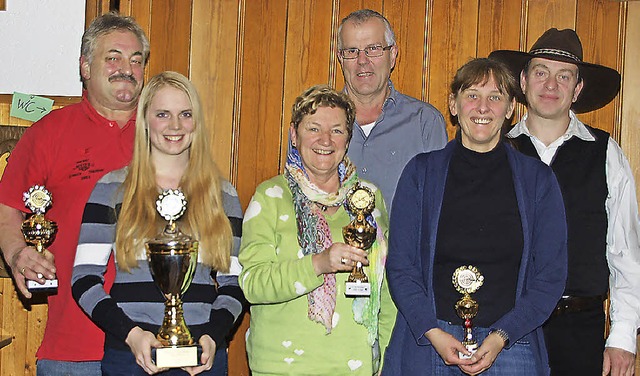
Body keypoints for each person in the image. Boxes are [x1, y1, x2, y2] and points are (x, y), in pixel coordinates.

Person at [383, 58, 568, 375]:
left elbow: (550, 276)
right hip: (430, 339)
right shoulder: (420, 173)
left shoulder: (537, 180)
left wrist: (501, 336)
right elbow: (401, 265)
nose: (483, 107)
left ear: (510, 108)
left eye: (495, 97)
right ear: (454, 104)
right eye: (472, 95)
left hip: (511, 342)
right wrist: (432, 331)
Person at [0, 12, 149, 375]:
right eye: (112, 57)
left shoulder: (166, 134)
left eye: (136, 60)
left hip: (155, 342)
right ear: (84, 66)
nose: (125, 69)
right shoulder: (49, 132)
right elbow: (6, 209)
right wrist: (18, 252)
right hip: (73, 349)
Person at [71, 71, 245, 376]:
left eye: (185, 114)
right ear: (145, 122)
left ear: (196, 123)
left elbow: (235, 283)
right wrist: (131, 334)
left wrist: (213, 336)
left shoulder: (223, 195)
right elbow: (84, 279)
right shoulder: (111, 189)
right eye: (163, 114)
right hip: (129, 357)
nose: (175, 125)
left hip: (202, 358)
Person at [490, 28, 640, 376]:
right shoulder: (495, 152)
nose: (551, 85)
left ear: (578, 89)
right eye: (541, 72)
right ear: (523, 81)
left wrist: (622, 337)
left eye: (564, 76)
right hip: (505, 329)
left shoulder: (605, 153)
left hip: (580, 330)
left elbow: (625, 252)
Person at [238, 85, 396, 375]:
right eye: (314, 128)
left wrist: (382, 356)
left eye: (337, 130)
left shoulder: (369, 200)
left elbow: (386, 287)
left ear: (347, 139)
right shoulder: (270, 196)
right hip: (281, 366)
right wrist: (318, 264)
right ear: (294, 135)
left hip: (356, 365)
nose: (326, 140)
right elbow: (252, 284)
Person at [337, 9, 447, 211]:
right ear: (341, 58)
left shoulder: (425, 123)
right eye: (352, 51)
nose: (362, 60)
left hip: (400, 244)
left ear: (393, 55)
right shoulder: (315, 122)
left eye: (373, 49)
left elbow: (437, 208)